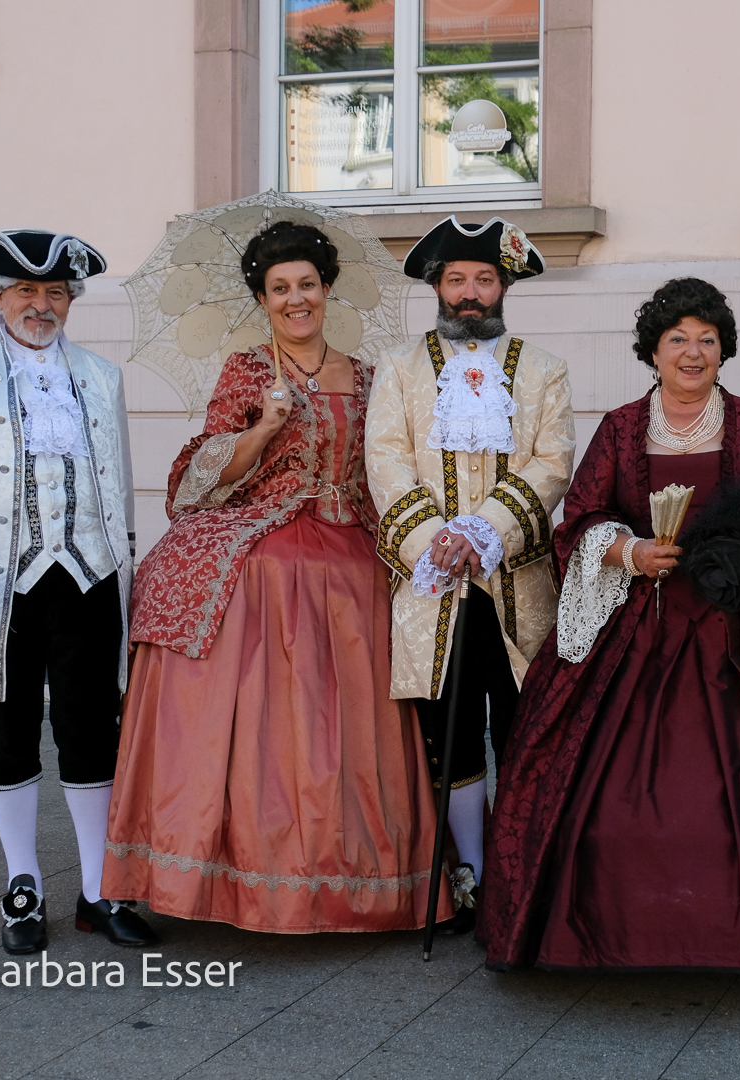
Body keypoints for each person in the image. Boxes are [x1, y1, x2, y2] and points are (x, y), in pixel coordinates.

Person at [479, 277, 740, 972]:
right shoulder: (621, 427)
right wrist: (630, 549)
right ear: (652, 349)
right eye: (678, 338)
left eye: (707, 339)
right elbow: (579, 519)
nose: (693, 351)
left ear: (723, 350)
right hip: (640, 619)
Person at [103, 221, 440, 933]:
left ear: (327, 290)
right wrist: (260, 429)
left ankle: (360, 880)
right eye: (280, 289)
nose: (296, 300)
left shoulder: (371, 375)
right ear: (263, 299)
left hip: (351, 549)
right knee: (240, 588)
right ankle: (216, 872)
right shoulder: (248, 373)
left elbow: (385, 471)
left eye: (307, 285)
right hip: (266, 544)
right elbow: (198, 483)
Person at [0, 229, 154, 953]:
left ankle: (98, 887)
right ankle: (23, 885)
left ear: (71, 300)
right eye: (25, 292)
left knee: (91, 732)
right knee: (7, 734)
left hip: (89, 577)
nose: (39, 306)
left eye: (54, 293)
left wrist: (128, 578)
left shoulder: (103, 377)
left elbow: (119, 489)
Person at [367, 216, 575, 932]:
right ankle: (471, 874)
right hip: (434, 586)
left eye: (484, 279)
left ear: (504, 286)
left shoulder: (544, 368)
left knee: (524, 727)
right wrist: (438, 539)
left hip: (518, 584)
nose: (469, 293)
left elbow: (552, 464)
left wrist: (483, 531)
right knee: (448, 734)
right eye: (456, 279)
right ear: (436, 285)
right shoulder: (398, 367)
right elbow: (385, 462)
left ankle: (521, 871)